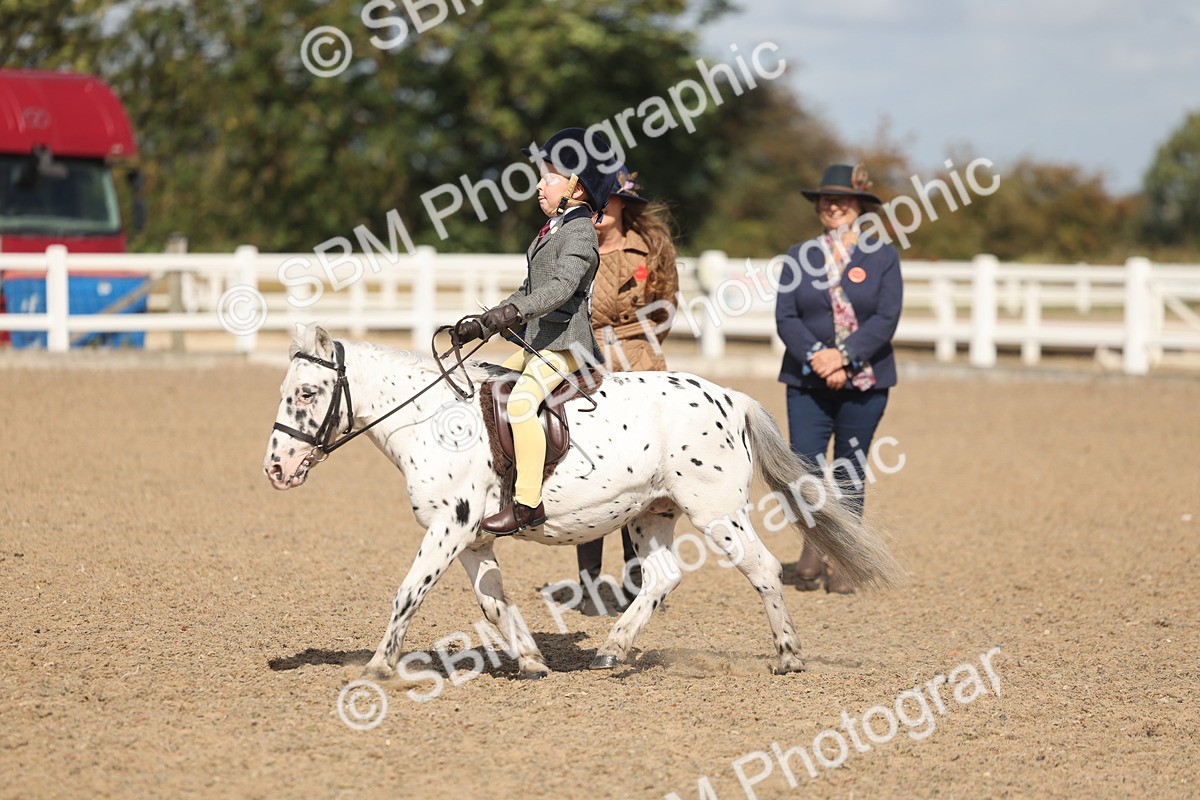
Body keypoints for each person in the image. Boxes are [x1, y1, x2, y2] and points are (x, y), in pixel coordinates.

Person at [454, 127, 618, 536]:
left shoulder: (580, 233)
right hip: (538, 342)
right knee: (489, 380)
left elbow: (559, 289)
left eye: (549, 179)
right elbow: (529, 290)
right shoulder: (553, 229)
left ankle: (528, 503)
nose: (539, 187)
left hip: (566, 346)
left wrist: (514, 310)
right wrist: (487, 320)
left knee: (523, 402)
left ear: (577, 188)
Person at [774, 163, 902, 594]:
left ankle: (845, 555)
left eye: (842, 199)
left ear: (859, 206)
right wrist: (819, 357)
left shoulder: (882, 256)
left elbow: (886, 318)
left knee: (850, 468)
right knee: (805, 465)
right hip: (808, 379)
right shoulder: (799, 256)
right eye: (827, 200)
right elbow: (786, 316)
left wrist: (844, 356)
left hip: (865, 380)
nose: (833, 205)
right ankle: (814, 545)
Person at [573, 165, 679, 610]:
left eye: (607, 200)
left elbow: (666, 307)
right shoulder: (575, 245)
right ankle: (589, 583)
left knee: (635, 473)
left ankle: (639, 579)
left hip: (639, 363)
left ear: (620, 205)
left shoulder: (650, 251)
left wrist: (637, 343)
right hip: (584, 361)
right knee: (585, 467)